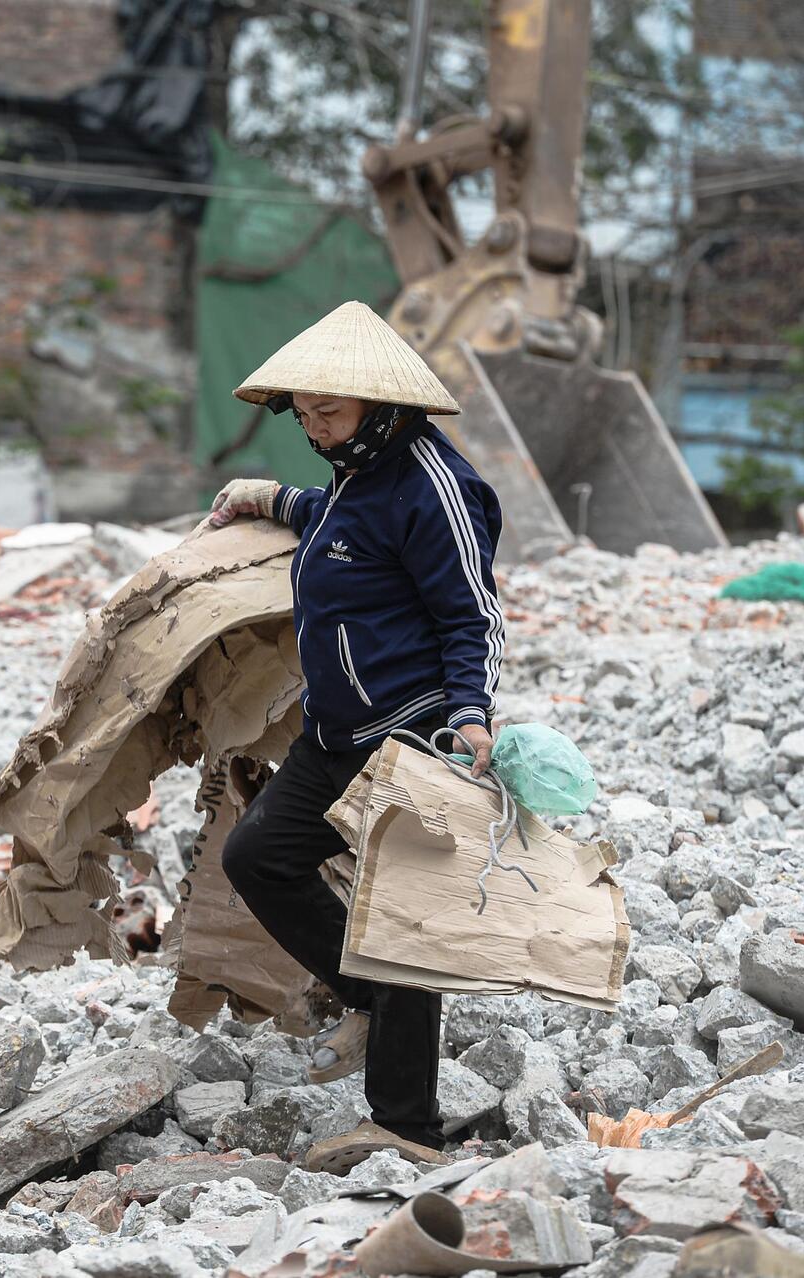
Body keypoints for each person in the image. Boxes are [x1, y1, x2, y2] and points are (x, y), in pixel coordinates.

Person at [207, 300, 505, 1171]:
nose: (313, 428)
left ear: (382, 406)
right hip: (336, 729)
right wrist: (272, 497)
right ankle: (366, 994)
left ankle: (406, 1126)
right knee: (259, 857)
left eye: (327, 413)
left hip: (411, 729)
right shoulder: (355, 470)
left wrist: (472, 715)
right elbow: (345, 531)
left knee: (398, 913)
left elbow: (472, 615)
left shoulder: (437, 489)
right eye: (302, 414)